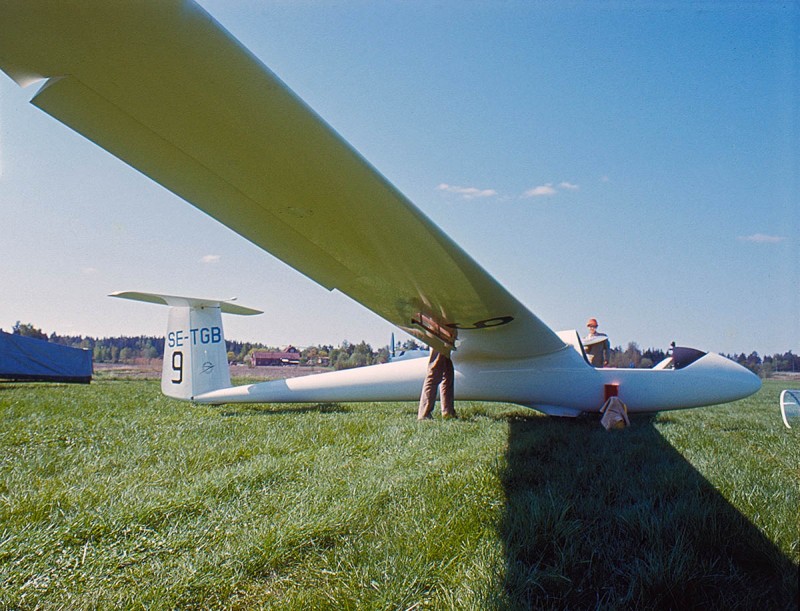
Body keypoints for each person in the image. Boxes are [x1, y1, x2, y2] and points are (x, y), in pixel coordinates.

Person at [417, 349, 456, 419]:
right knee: (434, 370)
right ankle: (424, 414)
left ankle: (448, 412)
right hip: (441, 339)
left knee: (447, 371)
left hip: (444, 339)